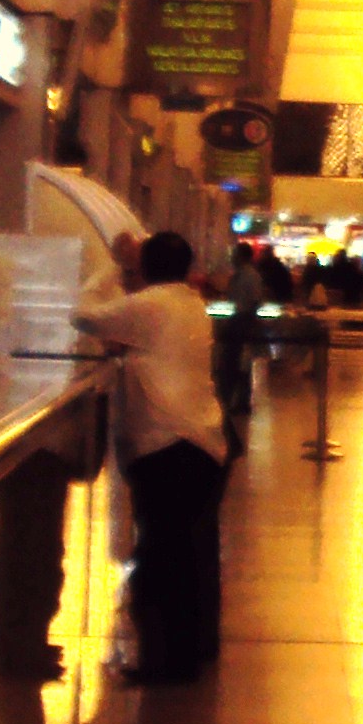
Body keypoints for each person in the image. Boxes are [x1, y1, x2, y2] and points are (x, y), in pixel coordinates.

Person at [80, 231, 230, 682]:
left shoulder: (151, 305)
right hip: (201, 440)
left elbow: (83, 316)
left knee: (162, 557)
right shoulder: (188, 304)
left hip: (165, 444)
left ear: (143, 266)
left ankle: (166, 664)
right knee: (186, 555)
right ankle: (191, 651)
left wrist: (112, 265)